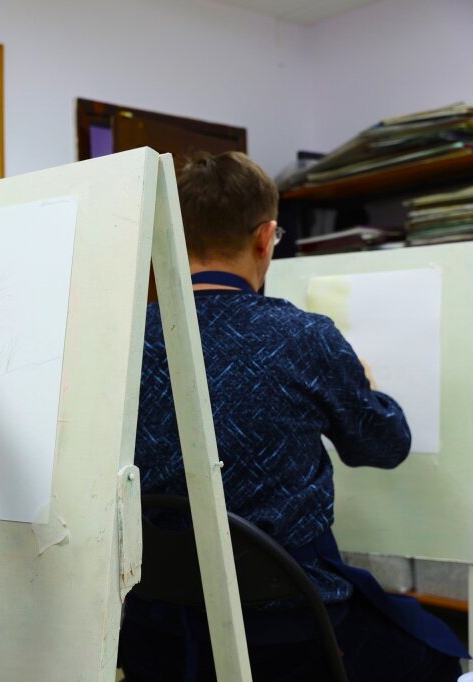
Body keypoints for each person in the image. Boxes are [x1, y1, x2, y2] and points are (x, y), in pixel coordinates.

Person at [119, 151, 466, 681]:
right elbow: (385, 445)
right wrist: (369, 388)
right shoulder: (304, 336)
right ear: (266, 237)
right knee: (440, 653)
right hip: (287, 629)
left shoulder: (120, 337)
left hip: (154, 623)